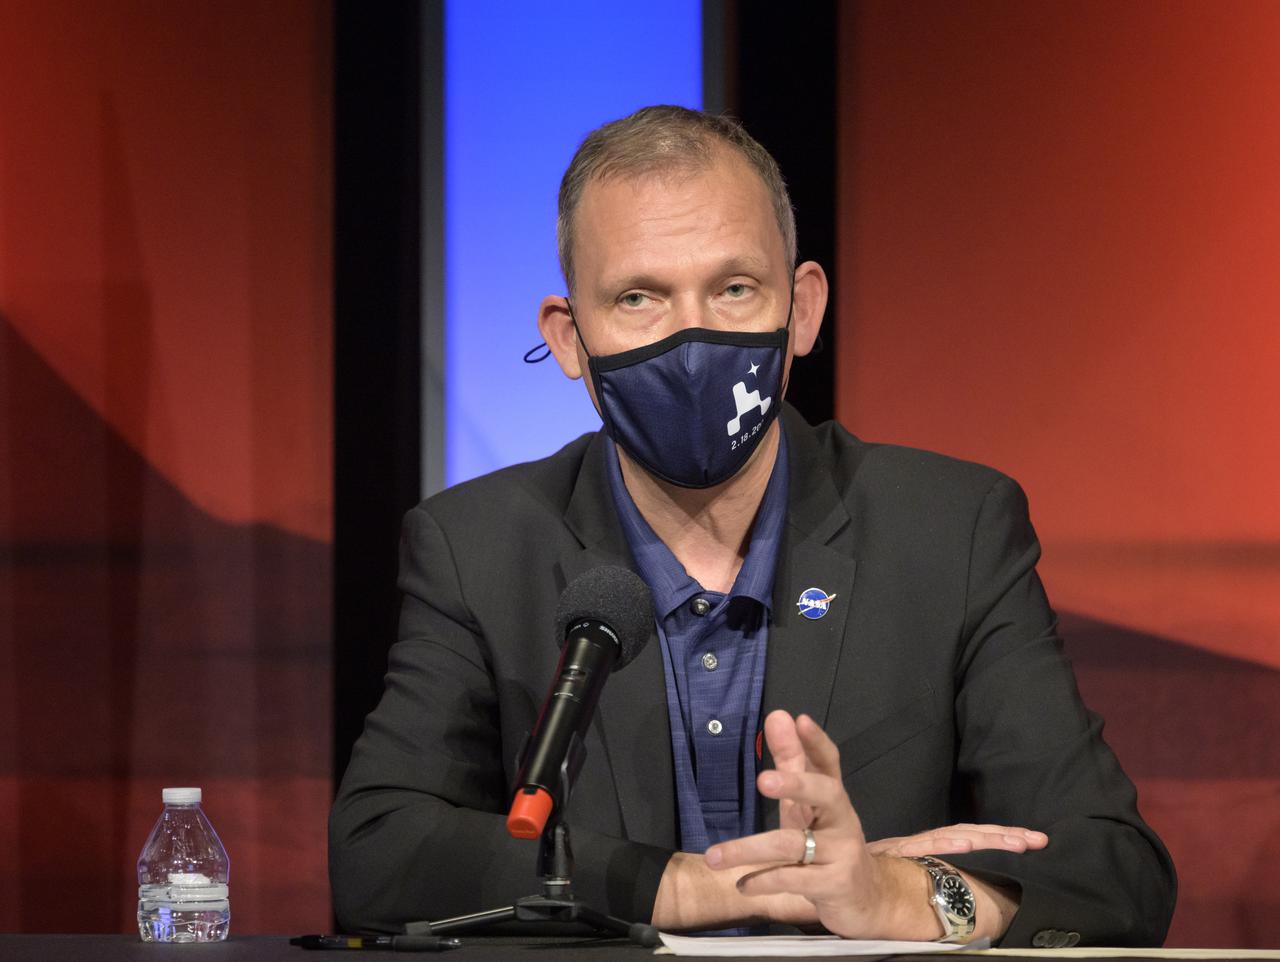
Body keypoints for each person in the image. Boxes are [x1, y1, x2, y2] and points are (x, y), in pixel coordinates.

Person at [329, 105, 1176, 945]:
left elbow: (1114, 873)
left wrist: (889, 894)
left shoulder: (949, 531)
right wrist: (699, 886)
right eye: (638, 297)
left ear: (801, 309)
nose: (691, 342)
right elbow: (379, 855)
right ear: (570, 338)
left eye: (734, 289)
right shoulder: (478, 547)